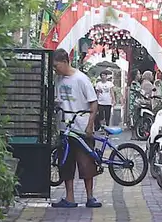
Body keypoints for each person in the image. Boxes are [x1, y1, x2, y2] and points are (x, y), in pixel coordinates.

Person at [52, 49, 100, 209]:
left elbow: (94, 103)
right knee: (66, 164)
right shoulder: (58, 79)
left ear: (65, 62)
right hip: (64, 129)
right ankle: (69, 198)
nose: (55, 69)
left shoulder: (81, 79)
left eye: (57, 65)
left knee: (86, 163)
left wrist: (89, 125)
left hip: (81, 128)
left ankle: (90, 197)